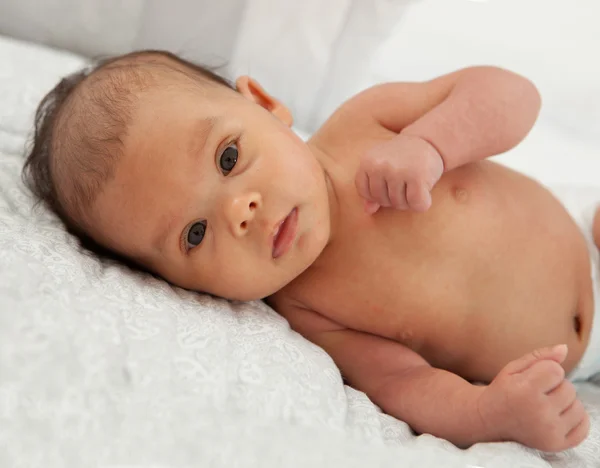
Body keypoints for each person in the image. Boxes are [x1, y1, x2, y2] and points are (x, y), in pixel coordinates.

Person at [23, 50, 598, 451]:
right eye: (194, 235)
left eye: (227, 157)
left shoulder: (364, 125)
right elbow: (408, 387)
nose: (237, 210)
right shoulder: (311, 313)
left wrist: (432, 143)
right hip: (577, 362)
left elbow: (513, 94)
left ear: (265, 103)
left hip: (583, 225)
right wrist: (492, 413)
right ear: (176, 285)